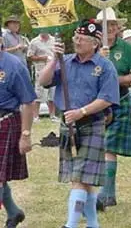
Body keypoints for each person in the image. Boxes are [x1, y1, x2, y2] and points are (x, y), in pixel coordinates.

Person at [38, 19, 120, 228]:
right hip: (69, 124)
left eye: (82, 39)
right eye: (76, 37)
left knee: (80, 177)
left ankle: (71, 224)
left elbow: (108, 98)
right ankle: (92, 223)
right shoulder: (65, 61)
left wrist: (81, 111)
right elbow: (44, 81)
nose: (77, 41)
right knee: (84, 179)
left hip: (91, 123)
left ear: (95, 43)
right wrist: (53, 60)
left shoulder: (105, 66)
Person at [95, 8, 131, 210]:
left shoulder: (127, 48)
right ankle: (100, 192)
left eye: (113, 25)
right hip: (95, 103)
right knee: (97, 148)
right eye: (106, 25)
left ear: (118, 27)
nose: (110, 28)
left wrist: (114, 78)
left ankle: (107, 194)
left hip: (119, 100)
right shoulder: (92, 48)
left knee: (109, 148)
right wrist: (99, 57)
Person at [0, 26, 36, 228]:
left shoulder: (14, 65)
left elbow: (29, 102)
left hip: (5, 121)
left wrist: (25, 134)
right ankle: (14, 212)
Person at [27, 32, 57, 122]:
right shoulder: (34, 42)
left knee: (52, 94)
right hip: (40, 70)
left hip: (53, 70)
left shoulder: (54, 40)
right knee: (39, 94)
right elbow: (30, 56)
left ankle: (52, 115)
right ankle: (36, 116)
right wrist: (42, 58)